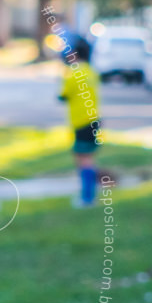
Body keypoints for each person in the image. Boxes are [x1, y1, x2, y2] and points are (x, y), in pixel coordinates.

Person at [59, 38, 102, 207]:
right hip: (93, 119)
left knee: (83, 159)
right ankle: (89, 193)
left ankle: (87, 197)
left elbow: (62, 95)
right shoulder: (92, 71)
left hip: (80, 122)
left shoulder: (71, 73)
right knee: (88, 157)